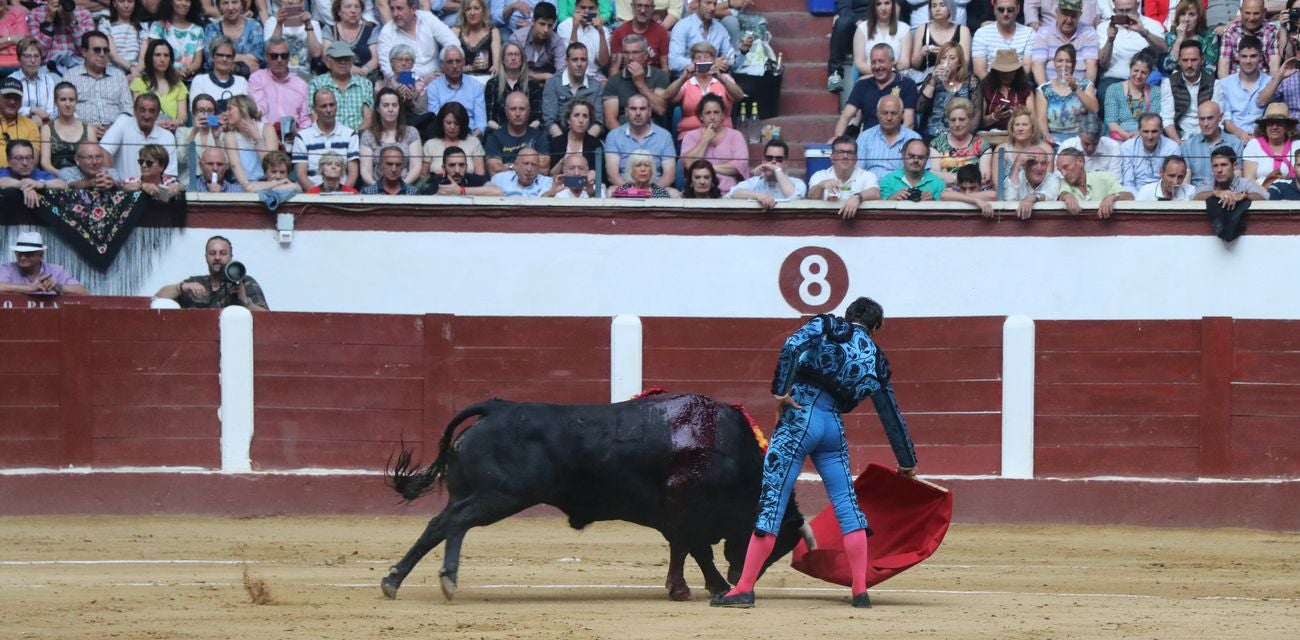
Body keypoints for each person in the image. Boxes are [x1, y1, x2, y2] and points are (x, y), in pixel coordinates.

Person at [711, 296, 917, 609]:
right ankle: (860, 590)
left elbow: (792, 346)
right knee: (848, 506)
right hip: (833, 428)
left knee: (773, 501)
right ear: (875, 327)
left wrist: (780, 391)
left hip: (798, 419)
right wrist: (907, 462)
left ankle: (743, 588)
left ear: (849, 316)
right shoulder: (876, 359)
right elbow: (890, 413)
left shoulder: (828, 325)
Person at [154, 235, 269, 311]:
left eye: (223, 253)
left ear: (230, 257)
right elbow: (158, 297)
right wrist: (182, 287)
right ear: (206, 257)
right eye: (212, 253)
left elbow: (268, 317)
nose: (217, 257)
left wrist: (245, 301)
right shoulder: (195, 282)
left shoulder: (244, 281)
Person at [835, 43, 918, 138]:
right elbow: (846, 116)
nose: (877, 66)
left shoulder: (907, 84)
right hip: (868, 142)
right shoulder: (862, 85)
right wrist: (837, 140)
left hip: (897, 141)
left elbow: (909, 123)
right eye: (873, 62)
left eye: (881, 61)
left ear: (893, 61)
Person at [1096, 0, 1167, 104]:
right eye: (1120, 11)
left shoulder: (1152, 25)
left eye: (1129, 10)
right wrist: (1110, 40)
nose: (1125, 15)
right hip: (1113, 80)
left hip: (1145, 79)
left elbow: (1163, 49)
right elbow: (1103, 63)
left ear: (1137, 5)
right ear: (1114, 8)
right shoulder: (1103, 27)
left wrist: (1143, 32)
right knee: (1107, 93)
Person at [66, 31, 132, 137]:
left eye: (106, 51)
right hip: (81, 133)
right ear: (84, 52)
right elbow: (65, 109)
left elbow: (128, 109)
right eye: (97, 50)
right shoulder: (71, 76)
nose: (102, 54)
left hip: (116, 134)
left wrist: (115, 128)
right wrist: (86, 127)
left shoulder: (119, 76)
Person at [98, 92, 176, 181]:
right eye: (142, 110)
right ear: (134, 111)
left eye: (151, 111)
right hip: (123, 189)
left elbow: (169, 174)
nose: (147, 116)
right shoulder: (123, 123)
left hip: (154, 190)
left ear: (158, 114)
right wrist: (114, 181)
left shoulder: (167, 137)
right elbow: (104, 151)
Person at [293, 87, 360, 189]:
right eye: (323, 106)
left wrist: (341, 195)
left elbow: (353, 173)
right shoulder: (302, 137)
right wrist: (317, 196)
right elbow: (301, 175)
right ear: (314, 109)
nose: (329, 110)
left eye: (332, 105)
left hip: (343, 195)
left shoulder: (350, 134)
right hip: (312, 196)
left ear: (337, 106)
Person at [678, 93, 747, 192]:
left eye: (716, 112)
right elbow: (689, 164)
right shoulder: (690, 136)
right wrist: (705, 140)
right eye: (708, 113)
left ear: (723, 115)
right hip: (698, 194)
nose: (712, 117)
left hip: (730, 193)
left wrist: (707, 168)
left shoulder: (735, 136)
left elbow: (740, 166)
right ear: (701, 116)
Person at [377, 0, 460, 81]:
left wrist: (445, 68)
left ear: (413, 9)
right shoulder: (387, 32)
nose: (395, 14)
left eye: (399, 9)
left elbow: (453, 42)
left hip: (438, 78)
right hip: (408, 84)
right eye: (392, 9)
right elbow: (387, 70)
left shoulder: (427, 18)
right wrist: (420, 80)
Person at [603, 93, 673, 188]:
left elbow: (669, 175)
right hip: (624, 189)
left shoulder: (665, 136)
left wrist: (651, 192)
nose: (638, 113)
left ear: (649, 112)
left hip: (656, 189)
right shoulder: (614, 136)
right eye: (633, 109)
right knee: (610, 192)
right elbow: (613, 175)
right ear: (626, 111)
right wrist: (632, 192)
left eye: (643, 109)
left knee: (675, 194)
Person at [603, 33, 670, 130]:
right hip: (623, 136)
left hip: (654, 136)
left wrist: (640, 84)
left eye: (635, 52)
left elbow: (661, 110)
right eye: (626, 53)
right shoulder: (614, 81)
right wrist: (625, 140)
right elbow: (610, 120)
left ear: (646, 55)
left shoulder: (659, 76)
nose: (630, 57)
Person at [916, 41, 981, 138]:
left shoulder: (971, 81)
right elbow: (920, 108)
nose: (947, 62)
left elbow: (976, 114)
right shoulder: (932, 79)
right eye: (944, 58)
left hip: (961, 136)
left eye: (952, 58)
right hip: (932, 134)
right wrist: (933, 81)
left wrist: (964, 138)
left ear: (959, 63)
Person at [360, 86, 422, 186]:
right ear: (378, 109)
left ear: (399, 108)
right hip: (376, 190)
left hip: (405, 188)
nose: (390, 109)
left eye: (394, 105)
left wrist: (400, 188)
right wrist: (379, 189)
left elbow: (416, 167)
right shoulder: (368, 135)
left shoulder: (411, 132)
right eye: (385, 105)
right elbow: (365, 171)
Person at [808, 135, 880, 220]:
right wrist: (821, 186)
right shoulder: (820, 176)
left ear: (856, 158)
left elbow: (876, 193)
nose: (845, 156)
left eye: (850, 152)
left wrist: (857, 197)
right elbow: (811, 198)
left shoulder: (867, 176)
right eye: (840, 152)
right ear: (832, 157)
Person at [1035, 44, 1097, 143]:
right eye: (1059, 61)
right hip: (1054, 137)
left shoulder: (1085, 85)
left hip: (1079, 137)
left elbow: (1094, 109)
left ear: (1074, 64)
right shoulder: (1044, 89)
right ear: (1054, 63)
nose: (1064, 65)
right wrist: (1046, 134)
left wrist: (1076, 89)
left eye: (1068, 61)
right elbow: (1041, 117)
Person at [1215, 36, 1272, 143]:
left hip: (1263, 137)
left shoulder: (1269, 82)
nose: (1248, 61)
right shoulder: (1225, 84)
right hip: (1232, 137)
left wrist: (1257, 133)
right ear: (1238, 57)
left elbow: (1270, 115)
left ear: (1260, 56)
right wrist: (1241, 134)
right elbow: (1226, 121)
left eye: (1253, 56)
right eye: (1244, 56)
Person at [249, 37, 312, 131]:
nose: (279, 60)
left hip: (294, 138)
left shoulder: (301, 85)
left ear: (289, 58)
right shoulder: (257, 78)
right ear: (266, 57)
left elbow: (305, 120)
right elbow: (258, 110)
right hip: (264, 136)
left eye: (284, 56)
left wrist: (299, 133)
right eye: (274, 56)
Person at [1029, 0, 1099, 87]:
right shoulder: (1043, 33)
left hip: (1079, 90)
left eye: (1073, 16)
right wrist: (1045, 90)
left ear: (1080, 15)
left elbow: (1092, 65)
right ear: (1057, 13)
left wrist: (1086, 90)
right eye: (1065, 14)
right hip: (1050, 89)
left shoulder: (1088, 32)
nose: (1069, 20)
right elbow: (1037, 65)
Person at [308, 40, 373, 131]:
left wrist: (353, 137)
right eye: (338, 59)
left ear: (351, 61)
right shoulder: (316, 83)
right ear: (328, 62)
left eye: (346, 58)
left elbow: (368, 118)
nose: (343, 62)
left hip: (358, 136)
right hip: (326, 137)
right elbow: (314, 116)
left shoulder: (365, 84)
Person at [1159, 40, 1215, 144]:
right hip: (1179, 136)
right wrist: (1178, 142)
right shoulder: (1168, 83)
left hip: (1207, 136)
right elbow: (1167, 119)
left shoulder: (1214, 83)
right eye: (1185, 60)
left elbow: (1217, 118)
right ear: (1179, 61)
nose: (1189, 65)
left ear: (1202, 60)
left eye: (1193, 60)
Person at [542, 42, 603, 138]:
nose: (579, 64)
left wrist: (584, 144)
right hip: (558, 138)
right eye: (575, 60)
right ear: (566, 61)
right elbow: (549, 120)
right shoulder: (553, 83)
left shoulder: (595, 86)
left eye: (583, 60)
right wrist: (564, 144)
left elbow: (598, 122)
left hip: (587, 139)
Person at [1055, 146, 1134, 218]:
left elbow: (1130, 196)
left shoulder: (1104, 177)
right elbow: (1063, 193)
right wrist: (1067, 197)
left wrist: (1113, 197)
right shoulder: (1064, 182)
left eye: (1066, 167)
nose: (1063, 173)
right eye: (1060, 170)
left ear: (1080, 161)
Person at [427, 45, 488, 137]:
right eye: (450, 62)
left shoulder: (476, 86)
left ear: (464, 62)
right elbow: (435, 120)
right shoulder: (434, 87)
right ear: (442, 64)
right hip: (444, 136)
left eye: (458, 61)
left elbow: (481, 122)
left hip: (471, 135)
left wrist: (473, 138)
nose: (454, 66)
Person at [0, 230, 87, 295]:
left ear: (41, 255)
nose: (22, 258)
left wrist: (56, 287)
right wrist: (31, 288)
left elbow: (83, 292)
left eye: (28, 254)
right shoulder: (8, 268)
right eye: (19, 254)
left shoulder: (55, 271)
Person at [219, 95, 279, 189]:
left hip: (268, 183)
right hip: (241, 185)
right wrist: (246, 186)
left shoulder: (267, 129)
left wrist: (257, 139)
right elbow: (235, 165)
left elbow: (272, 165)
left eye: (229, 109)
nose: (226, 113)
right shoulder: (230, 136)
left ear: (242, 109)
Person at [726, 138, 807, 207]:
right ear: (763, 161)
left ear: (786, 163)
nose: (773, 162)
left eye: (779, 159)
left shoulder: (796, 182)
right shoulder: (755, 181)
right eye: (769, 158)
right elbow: (734, 193)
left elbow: (794, 197)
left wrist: (777, 170)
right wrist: (758, 196)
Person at [485, 90, 551, 175]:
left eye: (522, 109)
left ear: (528, 111)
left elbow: (543, 169)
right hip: (503, 186)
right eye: (513, 109)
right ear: (506, 111)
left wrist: (508, 166)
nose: (517, 113)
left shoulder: (539, 136)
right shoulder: (494, 137)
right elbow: (495, 171)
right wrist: (528, 166)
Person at [1180, 102, 1243, 190]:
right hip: (1198, 197)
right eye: (1202, 119)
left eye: (1210, 118)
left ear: (1220, 117)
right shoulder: (1188, 146)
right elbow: (1185, 182)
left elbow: (1237, 177)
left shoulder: (1235, 143)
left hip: (1227, 196)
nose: (1206, 124)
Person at [856, 94, 921, 179]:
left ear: (902, 114)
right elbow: (857, 170)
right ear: (877, 113)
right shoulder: (865, 137)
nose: (889, 118)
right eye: (884, 113)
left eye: (893, 113)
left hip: (902, 188)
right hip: (871, 187)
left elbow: (920, 172)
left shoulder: (914, 138)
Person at [928, 97, 990, 185]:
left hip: (973, 193)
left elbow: (984, 178)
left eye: (962, 119)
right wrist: (961, 178)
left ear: (970, 119)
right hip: (945, 193)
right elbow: (934, 174)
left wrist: (948, 177)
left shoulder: (982, 146)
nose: (957, 124)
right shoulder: (936, 144)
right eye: (953, 120)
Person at [131, 39, 188, 133]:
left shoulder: (179, 85)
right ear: (150, 57)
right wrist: (156, 123)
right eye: (158, 55)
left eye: (166, 55)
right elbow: (136, 113)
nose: (162, 59)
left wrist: (176, 122)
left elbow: (183, 116)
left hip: (171, 131)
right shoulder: (139, 82)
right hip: (146, 130)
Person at [485, 41, 544, 131]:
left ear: (522, 59)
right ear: (503, 59)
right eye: (509, 54)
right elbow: (490, 118)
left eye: (516, 54)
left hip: (529, 132)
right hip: (499, 132)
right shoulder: (492, 84)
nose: (513, 58)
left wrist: (525, 133)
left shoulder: (533, 84)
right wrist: (505, 134)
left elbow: (538, 117)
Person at [1103, 50, 1161, 140]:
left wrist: (1139, 136)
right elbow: (1111, 122)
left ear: (1149, 74)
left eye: (1143, 72)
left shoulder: (1155, 92)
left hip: (1146, 137)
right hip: (1119, 137)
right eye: (1136, 71)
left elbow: (1153, 121)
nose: (1138, 75)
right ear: (1130, 69)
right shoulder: (1114, 89)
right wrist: (1126, 135)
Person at [667, 0, 735, 75]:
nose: (712, 8)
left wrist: (743, 52)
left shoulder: (720, 29)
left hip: (713, 80)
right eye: (708, 3)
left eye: (714, 4)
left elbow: (730, 58)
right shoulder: (682, 26)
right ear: (697, 4)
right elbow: (674, 61)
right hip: (687, 80)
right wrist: (709, 65)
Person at [263, 0, 325, 81]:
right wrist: (279, 24)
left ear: (302, 2)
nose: (290, 1)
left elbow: (316, 53)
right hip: (276, 74)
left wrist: (308, 25)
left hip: (303, 76)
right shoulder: (271, 22)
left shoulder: (313, 24)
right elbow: (269, 50)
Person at [912, 0, 972, 83]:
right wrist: (922, 53)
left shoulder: (963, 30)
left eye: (942, 5)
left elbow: (965, 63)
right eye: (934, 6)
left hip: (954, 79)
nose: (937, 9)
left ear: (950, 7)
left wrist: (944, 54)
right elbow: (914, 65)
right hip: (926, 80)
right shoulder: (922, 28)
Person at [39, 82, 93, 174]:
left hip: (85, 179)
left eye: (71, 100)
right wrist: (64, 176)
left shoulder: (89, 129)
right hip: (57, 178)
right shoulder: (47, 129)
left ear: (76, 102)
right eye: (63, 99)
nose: (68, 104)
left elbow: (94, 159)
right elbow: (45, 163)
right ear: (55, 102)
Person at [143, 0, 206, 79]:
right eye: (179, 0)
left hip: (188, 79)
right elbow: (153, 54)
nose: (183, 3)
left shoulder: (198, 29)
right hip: (162, 78)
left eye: (187, 1)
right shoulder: (158, 26)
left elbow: (197, 62)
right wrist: (172, 72)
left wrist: (185, 72)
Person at [1218, 0, 1281, 79]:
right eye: (1247, 13)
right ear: (1241, 11)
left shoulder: (1271, 31)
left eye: (1256, 13)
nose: (1251, 18)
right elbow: (1223, 67)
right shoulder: (1231, 31)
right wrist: (1229, 88)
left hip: (1264, 85)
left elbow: (1274, 68)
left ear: (1264, 12)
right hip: (1235, 85)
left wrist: (1269, 89)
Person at [25, 0, 95, 70]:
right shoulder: (35, 14)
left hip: (78, 66)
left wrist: (72, 21)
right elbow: (39, 53)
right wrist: (48, 21)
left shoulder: (84, 13)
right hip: (48, 68)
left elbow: (88, 51)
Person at [972, 0, 1034, 80]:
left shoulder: (1029, 33)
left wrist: (1010, 88)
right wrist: (999, 89)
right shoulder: (981, 33)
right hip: (990, 86)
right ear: (994, 9)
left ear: (1018, 9)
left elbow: (1027, 67)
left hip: (1019, 85)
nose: (1005, 14)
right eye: (1001, 9)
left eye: (1010, 10)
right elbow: (979, 71)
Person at [189, 37, 250, 116]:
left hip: (236, 127)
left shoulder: (241, 82)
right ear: (212, 57)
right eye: (220, 55)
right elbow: (198, 114)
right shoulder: (200, 80)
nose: (224, 59)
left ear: (233, 59)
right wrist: (217, 121)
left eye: (228, 56)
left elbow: (245, 113)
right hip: (208, 127)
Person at [1242, 102, 1300, 184]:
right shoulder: (1254, 145)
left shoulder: (1297, 145)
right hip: (1261, 194)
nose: (1274, 127)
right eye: (1270, 123)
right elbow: (1249, 180)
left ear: (1287, 126)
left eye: (1279, 123)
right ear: (1264, 126)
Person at [851, 0, 912, 79]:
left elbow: (905, 61)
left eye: (887, 3)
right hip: (869, 77)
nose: (883, 8)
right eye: (879, 4)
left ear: (893, 5)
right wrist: (880, 72)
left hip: (895, 78)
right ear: (873, 7)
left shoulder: (904, 28)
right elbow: (859, 63)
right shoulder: (862, 28)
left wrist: (890, 71)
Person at [1118, 112, 1178, 191]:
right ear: (1139, 131)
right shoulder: (1127, 147)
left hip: (1164, 194)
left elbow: (1173, 181)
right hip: (1136, 195)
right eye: (1146, 131)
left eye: (1154, 131)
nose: (1150, 136)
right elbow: (1128, 183)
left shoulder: (1172, 148)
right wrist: (1139, 200)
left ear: (1161, 130)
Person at [321, 0, 379, 78]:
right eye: (348, 7)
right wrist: (349, 68)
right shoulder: (330, 30)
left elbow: (376, 58)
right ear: (338, 11)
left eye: (357, 7)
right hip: (338, 78)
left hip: (367, 77)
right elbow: (326, 57)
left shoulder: (371, 29)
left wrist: (364, 70)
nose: (353, 11)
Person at [980, 49, 1036, 131]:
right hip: (990, 135)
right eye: (1003, 72)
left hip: (1019, 135)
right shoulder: (986, 88)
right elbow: (980, 123)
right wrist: (994, 116)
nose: (1007, 75)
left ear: (1017, 72)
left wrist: (1019, 114)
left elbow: (1033, 119)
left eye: (1011, 72)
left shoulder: (1026, 89)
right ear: (997, 72)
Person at [510, 1, 566, 82]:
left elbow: (562, 71)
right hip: (520, 82)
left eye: (550, 25)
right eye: (542, 24)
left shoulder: (557, 41)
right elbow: (512, 70)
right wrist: (541, 76)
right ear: (533, 21)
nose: (546, 30)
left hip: (548, 84)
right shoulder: (518, 38)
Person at [8, 39, 58, 128]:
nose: (33, 60)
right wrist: (31, 111)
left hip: (45, 126)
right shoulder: (11, 80)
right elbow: (9, 109)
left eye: (36, 56)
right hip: (18, 127)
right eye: (27, 56)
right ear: (19, 59)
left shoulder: (49, 81)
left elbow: (52, 111)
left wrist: (42, 120)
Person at [556, 0, 610, 81]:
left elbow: (604, 62)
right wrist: (575, 28)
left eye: (591, 8)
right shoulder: (564, 26)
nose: (587, 11)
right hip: (569, 75)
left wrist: (601, 32)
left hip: (594, 75)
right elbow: (570, 57)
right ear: (576, 7)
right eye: (583, 7)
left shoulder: (603, 30)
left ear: (597, 9)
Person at [205, 0, 264, 74]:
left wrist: (224, 58)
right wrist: (244, 58)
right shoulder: (212, 28)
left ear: (242, 5)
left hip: (250, 79)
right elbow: (211, 58)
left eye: (234, 2)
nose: (230, 7)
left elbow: (256, 58)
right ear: (219, 7)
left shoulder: (255, 26)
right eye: (225, 3)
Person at [1162, 0, 1219, 76]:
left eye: (1191, 14)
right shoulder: (1171, 36)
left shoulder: (1209, 37)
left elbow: (1210, 70)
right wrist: (1178, 41)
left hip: (1202, 83)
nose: (1186, 19)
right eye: (1182, 14)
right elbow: (1168, 66)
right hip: (1176, 82)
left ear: (1199, 17)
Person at [0, 139, 64, 206]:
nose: (25, 163)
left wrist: (38, 184)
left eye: (28, 157)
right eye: (19, 158)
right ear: (8, 160)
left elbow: (62, 184)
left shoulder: (38, 173)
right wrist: (23, 184)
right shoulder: (4, 172)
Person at [1193, 145, 1268, 203]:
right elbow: (1195, 198)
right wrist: (1217, 193)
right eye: (1215, 166)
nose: (1219, 170)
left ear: (1234, 165)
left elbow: (1262, 198)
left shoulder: (1245, 183)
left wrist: (1244, 196)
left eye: (1224, 165)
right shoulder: (1208, 184)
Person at [547, 98, 602, 176]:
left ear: (589, 121)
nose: (581, 120)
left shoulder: (595, 144)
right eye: (576, 115)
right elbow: (550, 175)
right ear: (568, 120)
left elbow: (601, 175)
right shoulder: (556, 143)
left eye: (585, 116)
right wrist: (562, 162)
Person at [611, 0, 669, 73]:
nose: (642, 10)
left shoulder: (661, 32)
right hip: (626, 78)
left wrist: (663, 82)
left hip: (653, 79)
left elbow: (665, 67)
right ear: (632, 6)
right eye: (639, 5)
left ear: (653, 9)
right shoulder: (619, 32)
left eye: (647, 6)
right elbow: (614, 68)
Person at [1002, 147, 1060, 219]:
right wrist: (1016, 164)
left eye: (1043, 163)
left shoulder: (1052, 179)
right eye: (1034, 163)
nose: (1039, 168)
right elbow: (1009, 198)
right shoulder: (1016, 177)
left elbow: (1051, 195)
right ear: (1024, 165)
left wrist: (1032, 197)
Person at [880, 138, 944, 200]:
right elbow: (879, 207)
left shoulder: (938, 183)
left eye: (920, 157)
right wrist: (891, 199)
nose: (916, 160)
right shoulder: (888, 181)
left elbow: (943, 209)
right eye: (911, 156)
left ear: (927, 159)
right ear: (903, 155)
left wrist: (933, 201)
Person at [427, 145, 502, 195]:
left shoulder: (475, 180)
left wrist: (460, 190)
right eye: (452, 165)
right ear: (444, 168)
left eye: (461, 165)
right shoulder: (437, 185)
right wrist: (436, 196)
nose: (457, 170)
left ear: (466, 167)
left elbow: (498, 192)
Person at [455, 0, 501, 83]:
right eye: (468, 9)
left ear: (483, 11)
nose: (472, 13)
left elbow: (496, 64)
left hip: (486, 79)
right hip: (461, 79)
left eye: (476, 8)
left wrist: (495, 67)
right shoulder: (456, 31)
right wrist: (471, 68)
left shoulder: (493, 31)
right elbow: (451, 66)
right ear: (464, 13)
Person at [97, 0, 143, 76]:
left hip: (137, 73)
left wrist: (134, 74)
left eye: (130, 1)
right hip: (113, 73)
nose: (126, 5)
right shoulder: (106, 24)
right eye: (121, 1)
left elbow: (143, 59)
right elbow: (112, 54)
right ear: (114, 3)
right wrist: (131, 68)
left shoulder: (142, 27)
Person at [0, 77, 39, 168]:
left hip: (21, 177)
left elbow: (33, 161)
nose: (12, 101)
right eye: (8, 97)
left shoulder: (30, 125)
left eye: (16, 98)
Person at [490, 145, 554, 195]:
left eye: (533, 165)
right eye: (526, 164)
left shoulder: (547, 183)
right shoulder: (499, 180)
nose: (529, 169)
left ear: (538, 168)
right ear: (515, 165)